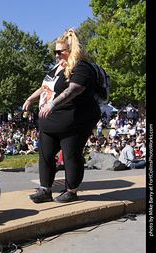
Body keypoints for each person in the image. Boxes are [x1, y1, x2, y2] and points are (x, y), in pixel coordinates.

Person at [23, 29, 101, 203]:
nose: (57, 55)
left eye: (60, 52)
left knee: (70, 155)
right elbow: (45, 88)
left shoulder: (82, 67)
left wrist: (52, 104)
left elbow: (74, 89)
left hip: (74, 120)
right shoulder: (55, 68)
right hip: (50, 121)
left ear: (72, 50)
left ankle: (71, 191)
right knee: (45, 154)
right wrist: (30, 99)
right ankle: (45, 190)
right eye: (55, 52)